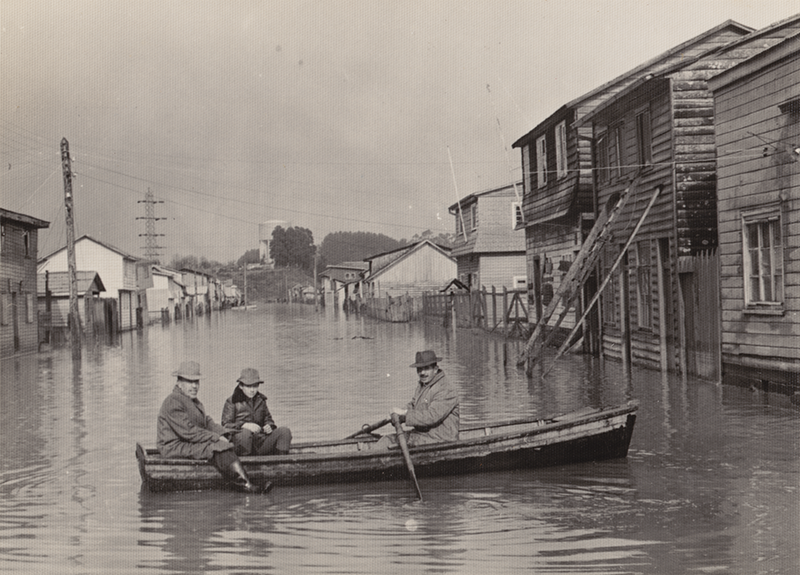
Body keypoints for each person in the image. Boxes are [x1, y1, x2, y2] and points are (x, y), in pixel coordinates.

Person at [157, 361, 268, 493]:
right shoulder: (173, 401)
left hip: (185, 442)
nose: (194, 386)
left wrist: (225, 434)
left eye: (196, 382)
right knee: (218, 447)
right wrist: (216, 438)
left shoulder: (192, 401)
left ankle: (242, 477)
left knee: (225, 444)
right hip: (173, 447)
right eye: (189, 382)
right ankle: (245, 486)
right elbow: (189, 432)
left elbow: (207, 422)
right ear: (179, 383)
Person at [376, 350, 460, 449]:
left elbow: (431, 416)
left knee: (390, 445)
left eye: (426, 368)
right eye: (419, 369)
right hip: (422, 436)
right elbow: (413, 405)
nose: (422, 373)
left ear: (435, 369)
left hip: (441, 440)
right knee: (386, 440)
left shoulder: (446, 388)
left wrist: (404, 414)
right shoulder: (423, 384)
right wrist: (397, 413)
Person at [221, 368, 292, 456]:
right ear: (241, 386)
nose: (252, 390)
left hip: (260, 442)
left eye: (255, 386)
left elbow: (268, 420)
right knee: (245, 434)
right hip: (240, 445)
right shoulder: (231, 402)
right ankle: (246, 464)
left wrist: (269, 426)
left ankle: (282, 462)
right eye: (249, 386)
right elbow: (226, 426)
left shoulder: (261, 401)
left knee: (284, 431)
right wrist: (244, 425)